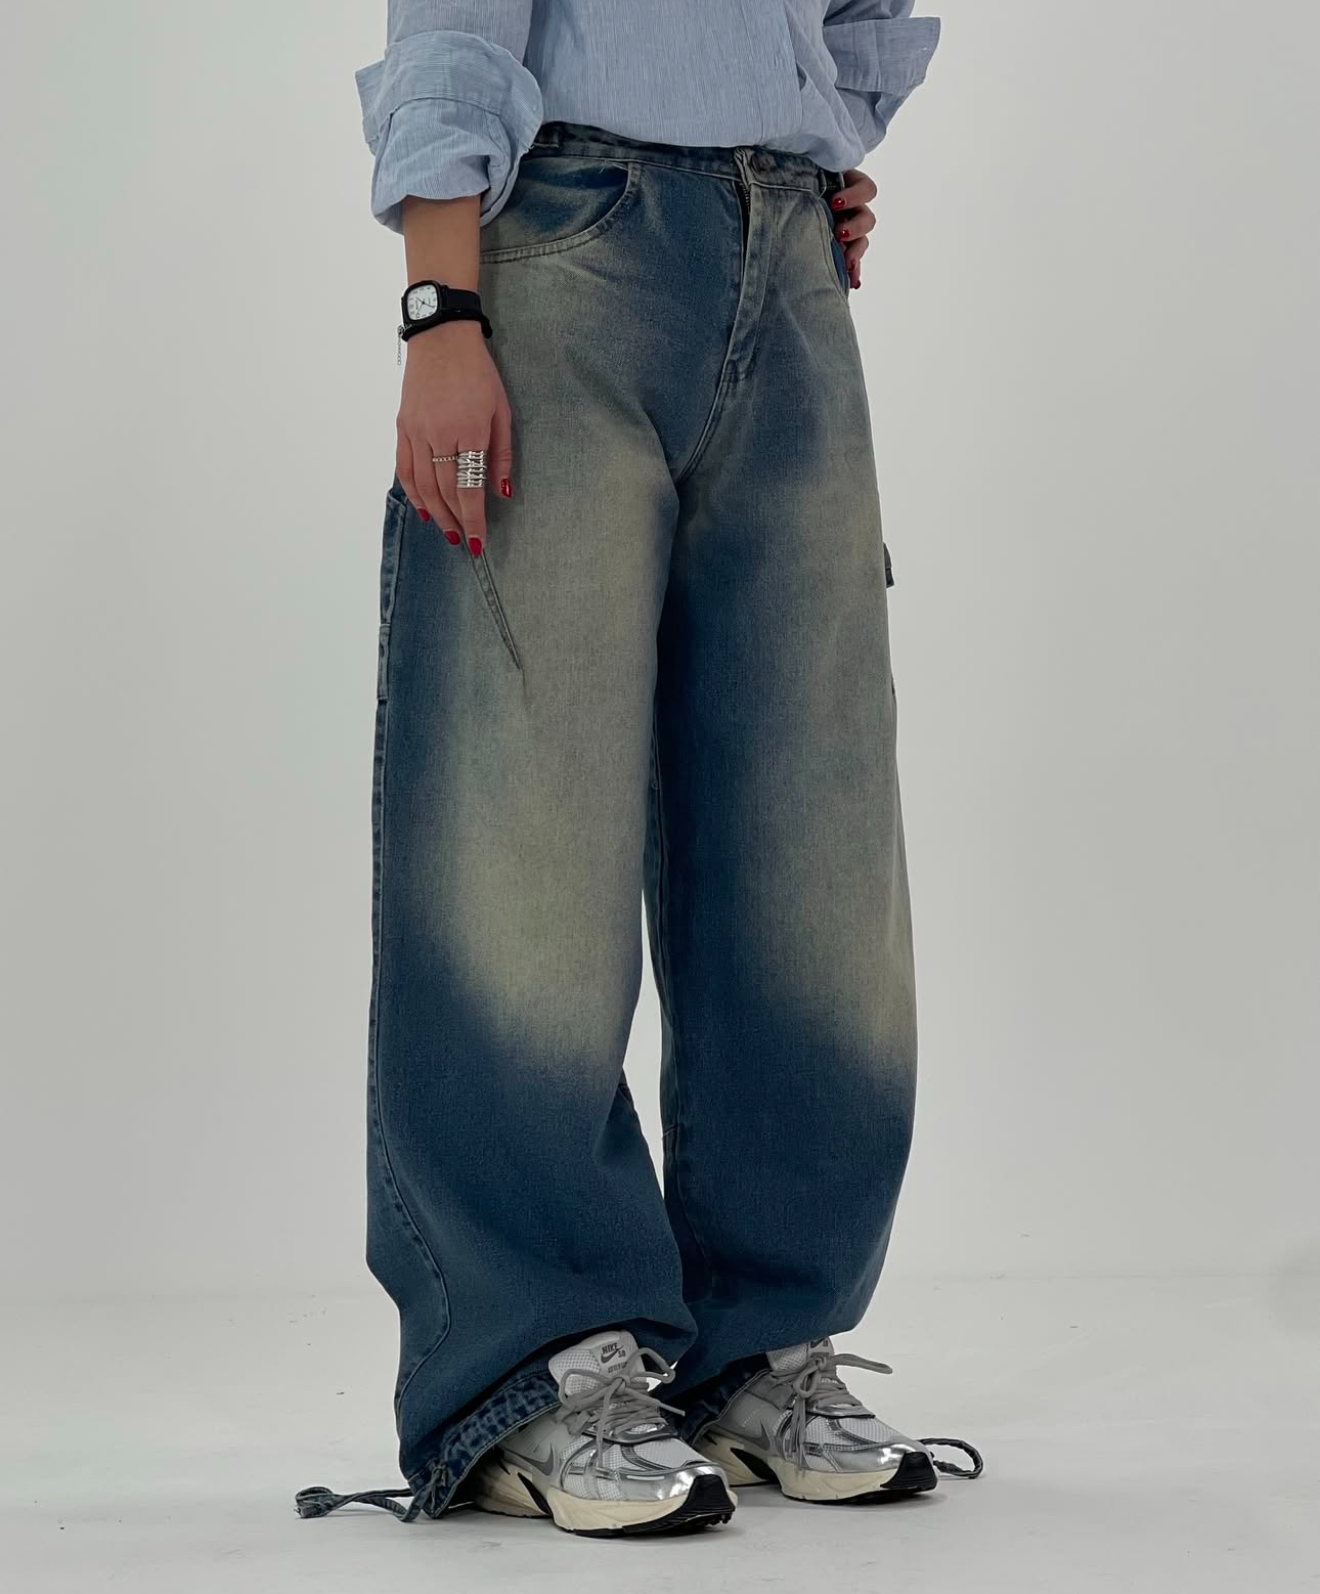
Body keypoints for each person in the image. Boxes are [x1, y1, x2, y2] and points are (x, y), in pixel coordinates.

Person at [296, 0, 979, 1539]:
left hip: (786, 252)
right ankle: (528, 1369)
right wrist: (440, 308)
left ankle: (765, 1342)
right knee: (523, 833)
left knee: (810, 842)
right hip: (560, 238)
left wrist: (820, 129)